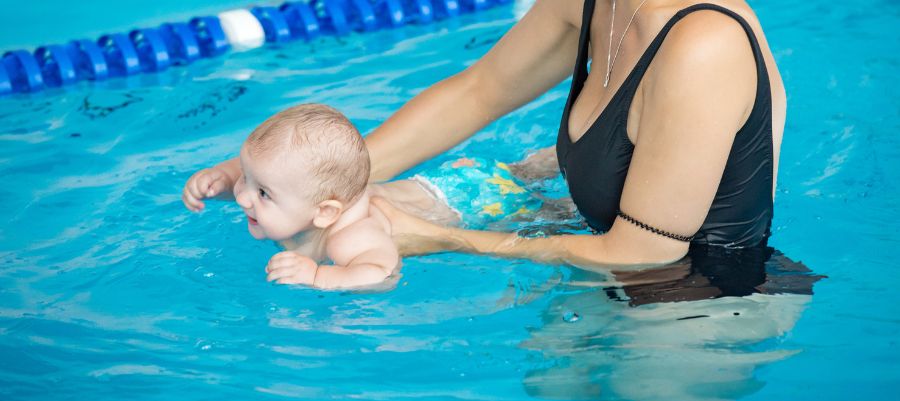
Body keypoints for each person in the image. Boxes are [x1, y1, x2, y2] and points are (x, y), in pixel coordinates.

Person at [201, 0, 787, 270]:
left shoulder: (703, 45)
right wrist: (303, 174)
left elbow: (648, 253)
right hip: (595, 269)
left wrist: (439, 238)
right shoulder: (597, 2)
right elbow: (477, 91)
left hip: (699, 308)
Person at [181, 104, 564, 289]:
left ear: (325, 213)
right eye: (245, 179)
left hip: (479, 200)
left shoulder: (352, 236)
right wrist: (221, 178)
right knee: (523, 170)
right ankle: (555, 157)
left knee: (556, 210)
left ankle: (568, 160)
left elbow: (383, 273)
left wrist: (320, 275)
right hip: (453, 178)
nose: (243, 196)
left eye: (262, 192)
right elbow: (268, 176)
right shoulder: (305, 199)